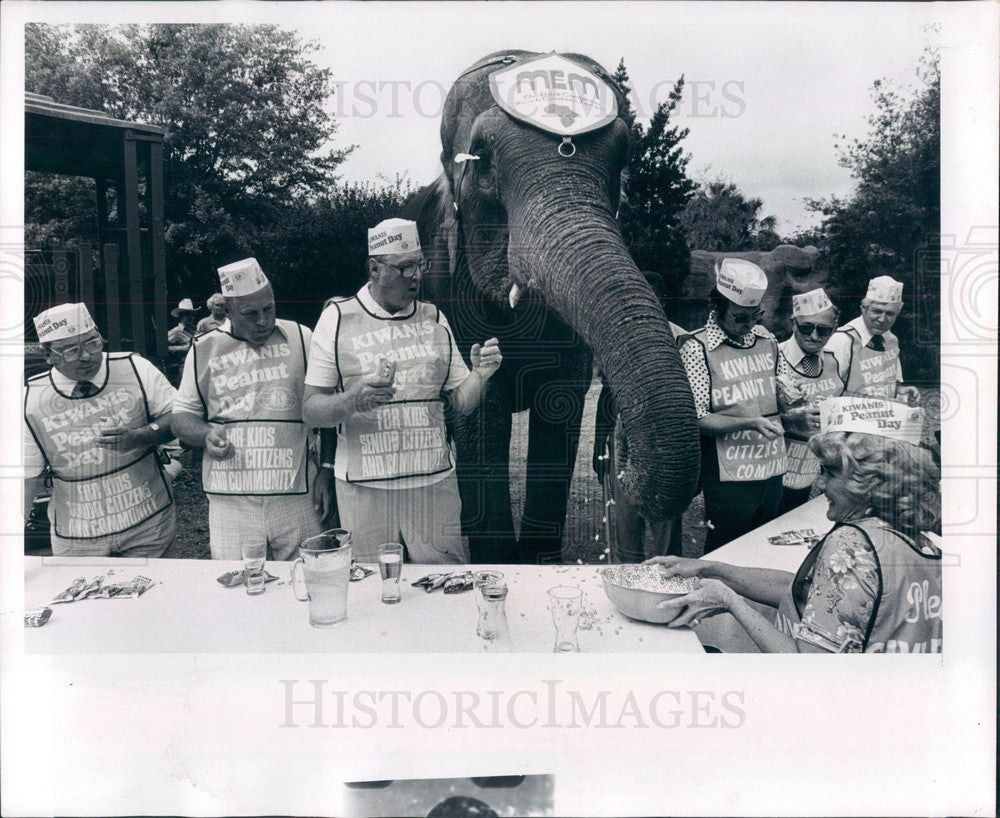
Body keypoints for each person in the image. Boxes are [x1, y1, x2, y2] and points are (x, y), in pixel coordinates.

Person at [648, 397, 942, 653]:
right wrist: (710, 568)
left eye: (830, 472)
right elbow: (804, 593)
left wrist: (729, 601)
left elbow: (807, 665)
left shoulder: (852, 544)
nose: (820, 483)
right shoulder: (914, 537)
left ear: (871, 481)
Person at [302, 218, 502, 564]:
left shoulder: (434, 317)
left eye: (420, 265)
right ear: (374, 269)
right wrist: (352, 400)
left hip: (432, 485)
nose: (416, 276)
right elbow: (311, 409)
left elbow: (462, 403)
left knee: (446, 580)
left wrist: (480, 376)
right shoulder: (337, 318)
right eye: (404, 267)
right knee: (372, 587)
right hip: (365, 487)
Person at [171, 258, 330, 560]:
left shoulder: (301, 337)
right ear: (226, 312)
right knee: (238, 589)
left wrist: (326, 469)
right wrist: (205, 434)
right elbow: (181, 417)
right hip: (232, 500)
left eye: (268, 309)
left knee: (306, 579)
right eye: (250, 313)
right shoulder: (204, 347)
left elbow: (326, 407)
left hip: (296, 495)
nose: (262, 321)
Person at [23, 303, 178, 556]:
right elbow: (26, 477)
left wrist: (141, 436)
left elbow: (179, 417)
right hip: (78, 537)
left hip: (149, 526)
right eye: (71, 351)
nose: (86, 356)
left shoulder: (135, 368)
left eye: (93, 343)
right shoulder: (31, 399)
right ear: (47, 355)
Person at [678, 259, 789, 552]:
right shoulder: (697, 347)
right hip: (729, 472)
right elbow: (698, 417)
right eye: (740, 317)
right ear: (719, 309)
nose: (750, 324)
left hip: (772, 463)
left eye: (756, 316)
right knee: (727, 546)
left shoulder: (767, 340)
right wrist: (748, 422)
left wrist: (793, 401)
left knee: (764, 544)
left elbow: (783, 389)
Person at [593, 271, 685, 561]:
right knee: (624, 521)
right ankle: (627, 577)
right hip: (621, 440)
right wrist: (600, 445)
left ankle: (668, 578)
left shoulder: (680, 338)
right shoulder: (613, 335)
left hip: (664, 442)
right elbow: (607, 395)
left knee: (665, 519)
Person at [776, 288, 846, 514]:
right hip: (774, 465)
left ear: (834, 329)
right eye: (806, 327)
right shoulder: (774, 356)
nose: (814, 336)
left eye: (823, 330)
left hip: (808, 465)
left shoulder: (832, 361)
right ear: (792, 323)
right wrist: (790, 419)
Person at [825, 275, 920, 404]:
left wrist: (899, 391)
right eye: (877, 311)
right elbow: (826, 391)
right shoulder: (843, 340)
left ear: (897, 314)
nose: (882, 319)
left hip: (883, 418)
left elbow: (886, 383)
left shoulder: (890, 340)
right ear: (864, 308)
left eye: (890, 313)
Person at [166, 298, 202, 385]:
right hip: (185, 366)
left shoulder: (195, 330)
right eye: (188, 315)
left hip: (198, 365)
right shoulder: (176, 331)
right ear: (181, 316)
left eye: (192, 315)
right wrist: (183, 348)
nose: (191, 318)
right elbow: (163, 347)